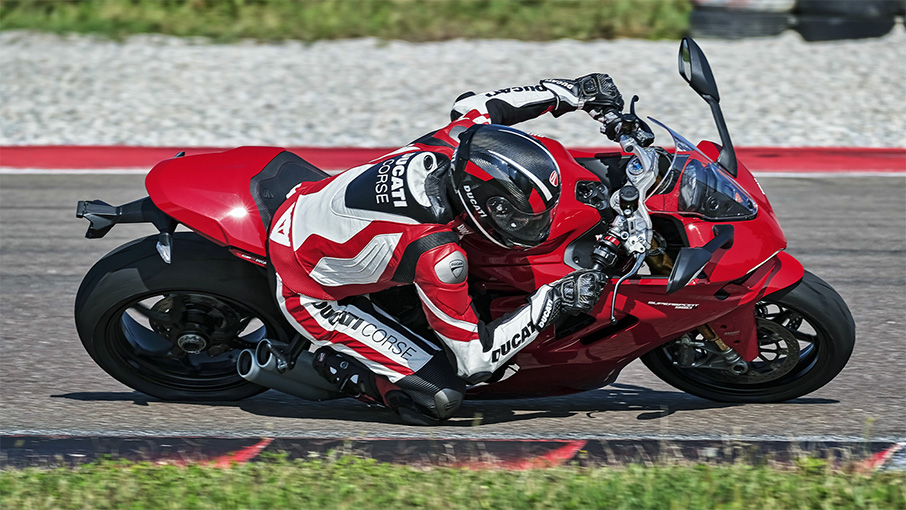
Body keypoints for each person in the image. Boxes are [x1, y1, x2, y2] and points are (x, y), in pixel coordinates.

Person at [267, 73, 625, 425]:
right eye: (516, 219)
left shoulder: (452, 144)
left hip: (310, 205)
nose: (528, 226)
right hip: (308, 290)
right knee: (440, 397)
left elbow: (481, 105)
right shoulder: (438, 255)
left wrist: (572, 93)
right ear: (480, 206)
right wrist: (555, 299)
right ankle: (343, 370)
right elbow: (476, 361)